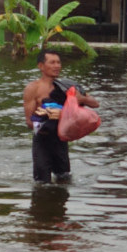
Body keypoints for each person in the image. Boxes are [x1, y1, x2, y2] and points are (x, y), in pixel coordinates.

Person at [23, 49, 99, 183]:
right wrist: (46, 117)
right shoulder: (32, 89)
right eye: (52, 62)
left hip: (61, 139)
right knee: (41, 183)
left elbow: (95, 104)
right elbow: (29, 122)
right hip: (42, 139)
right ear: (41, 66)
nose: (57, 66)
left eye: (58, 62)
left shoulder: (67, 86)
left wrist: (80, 99)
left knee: (64, 178)